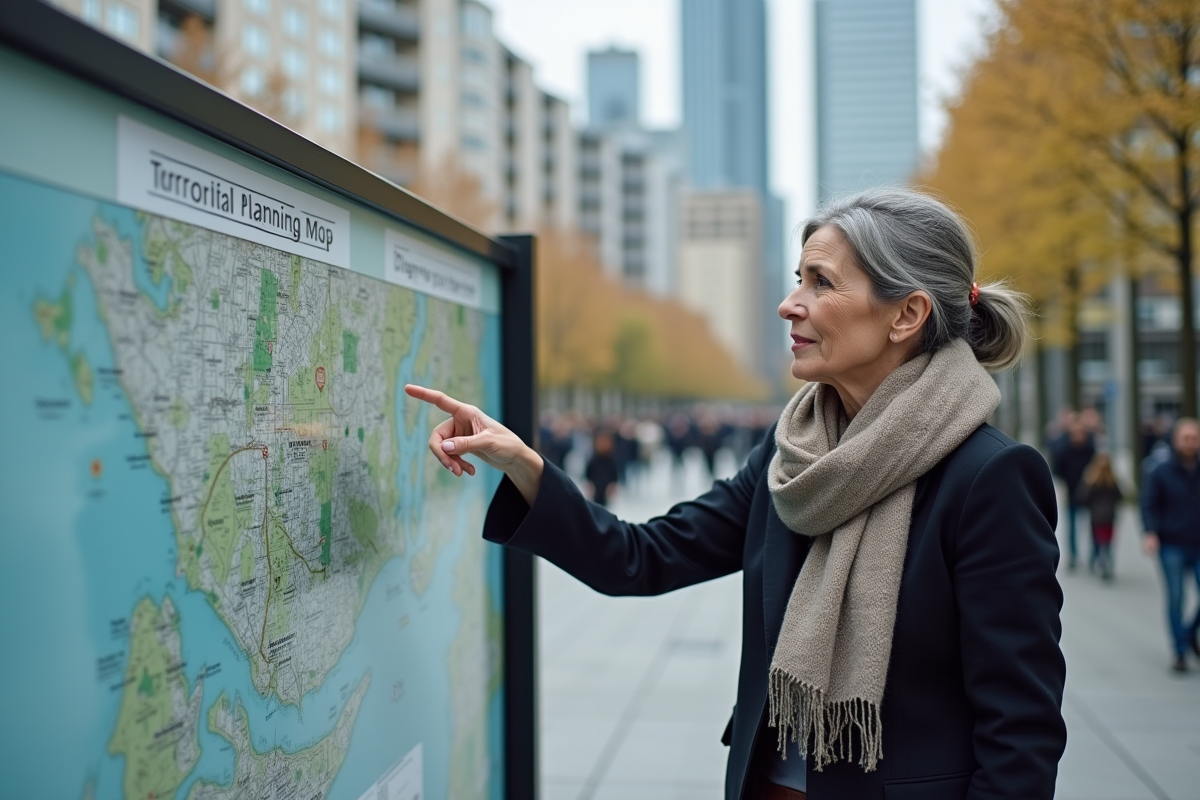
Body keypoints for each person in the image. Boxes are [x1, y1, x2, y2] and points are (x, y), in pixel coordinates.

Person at [406, 188, 1066, 800]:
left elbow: (1021, 735)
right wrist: (523, 463)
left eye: (821, 282)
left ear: (907, 314)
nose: (790, 303)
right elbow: (639, 557)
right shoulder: (792, 456)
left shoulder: (989, 479)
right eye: (798, 278)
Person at [1140, 417, 1200, 673]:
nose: (1190, 443)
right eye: (1186, 438)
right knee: (1176, 597)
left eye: (1194, 438)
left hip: (1198, 543)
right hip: (1171, 544)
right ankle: (1180, 651)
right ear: (1176, 440)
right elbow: (1148, 503)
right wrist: (1149, 532)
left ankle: (1188, 633)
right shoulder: (1161, 470)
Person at [1051, 415, 1096, 571]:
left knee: (1092, 525)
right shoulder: (1064, 450)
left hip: (1089, 494)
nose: (1079, 435)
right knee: (1071, 527)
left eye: (1081, 432)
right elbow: (1057, 469)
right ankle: (1073, 556)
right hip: (1071, 493)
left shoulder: (1090, 449)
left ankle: (1093, 557)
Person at [1078, 453, 1123, 580]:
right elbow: (1119, 497)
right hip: (1109, 517)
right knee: (1107, 542)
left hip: (1096, 517)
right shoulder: (1113, 482)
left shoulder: (1091, 481)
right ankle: (1107, 564)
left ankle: (1095, 561)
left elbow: (1083, 498)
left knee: (1096, 540)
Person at [584, 429, 620, 507]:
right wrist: (589, 486)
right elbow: (588, 474)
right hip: (596, 489)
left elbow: (614, 475)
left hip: (606, 489)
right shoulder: (593, 459)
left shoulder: (611, 460)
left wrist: (612, 486)